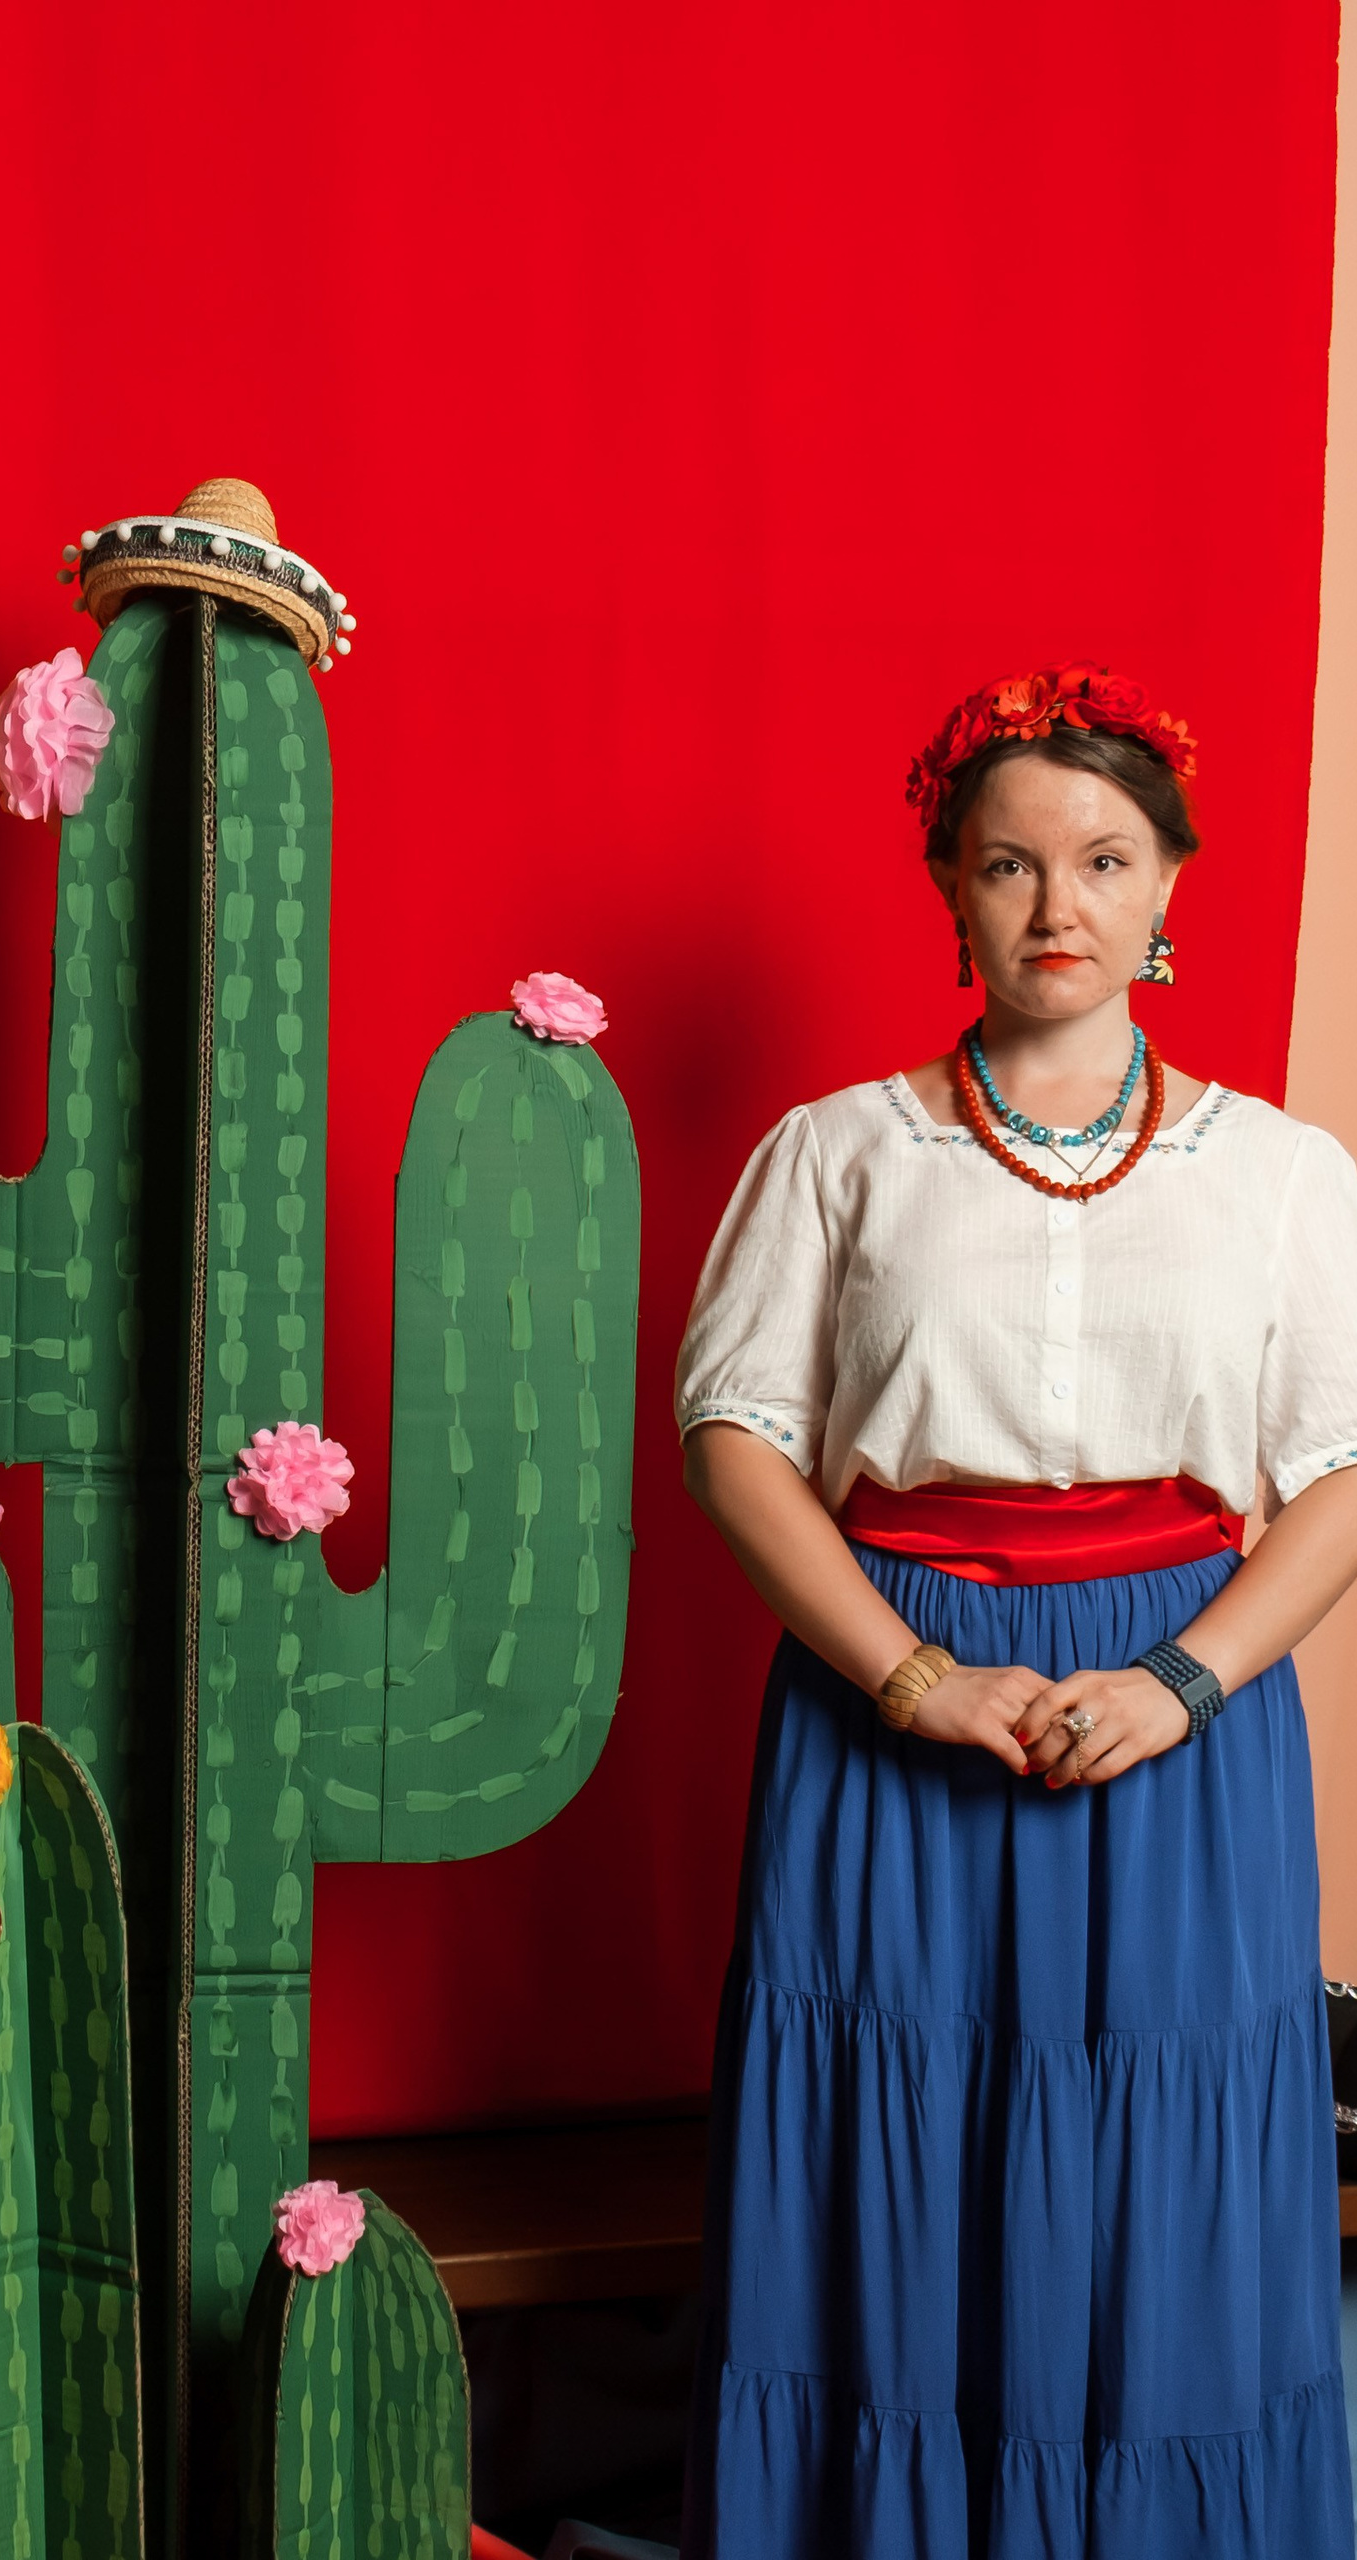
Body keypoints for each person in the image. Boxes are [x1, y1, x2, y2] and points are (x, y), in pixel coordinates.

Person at [674, 664, 1357, 2556]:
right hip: (884, 1711)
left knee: (1168, 2182)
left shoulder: (1289, 1180)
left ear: (1169, 890)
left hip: (1181, 1741)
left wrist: (1178, 1685)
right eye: (1009, 863)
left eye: (1105, 858)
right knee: (885, 2165)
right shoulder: (838, 1153)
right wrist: (906, 1679)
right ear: (950, 892)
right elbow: (737, 1438)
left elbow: (1345, 1481)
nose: (1059, 904)